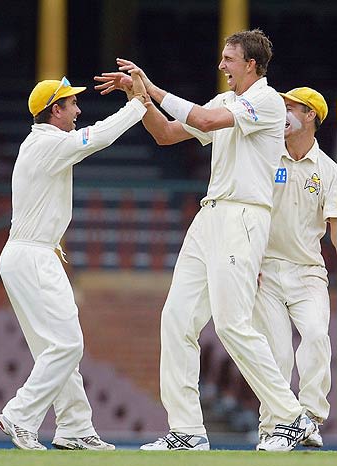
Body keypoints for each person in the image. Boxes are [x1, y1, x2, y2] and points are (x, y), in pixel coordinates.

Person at [94, 29, 315, 452]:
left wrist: (154, 86)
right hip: (209, 215)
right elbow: (166, 134)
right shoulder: (225, 101)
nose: (221, 66)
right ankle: (188, 431)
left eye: (228, 59)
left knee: (232, 325)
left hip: (244, 217)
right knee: (176, 319)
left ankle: (291, 417)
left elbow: (204, 121)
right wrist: (138, 95)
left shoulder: (267, 101)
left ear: (250, 64)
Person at [0, 73, 148, 450]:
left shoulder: (44, 143)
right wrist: (136, 106)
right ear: (54, 111)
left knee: (58, 349)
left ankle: (75, 427)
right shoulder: (48, 143)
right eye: (71, 104)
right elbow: (96, 137)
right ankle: (19, 415)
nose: (78, 109)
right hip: (32, 255)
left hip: (33, 254)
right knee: (66, 346)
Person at [252, 87, 337, 450]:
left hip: (307, 271)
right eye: (282, 106)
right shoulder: (265, 156)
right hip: (264, 269)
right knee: (277, 354)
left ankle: (311, 418)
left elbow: (333, 228)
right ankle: (273, 426)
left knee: (317, 337)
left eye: (292, 108)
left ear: (310, 117)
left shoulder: (329, 170)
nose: (283, 112)